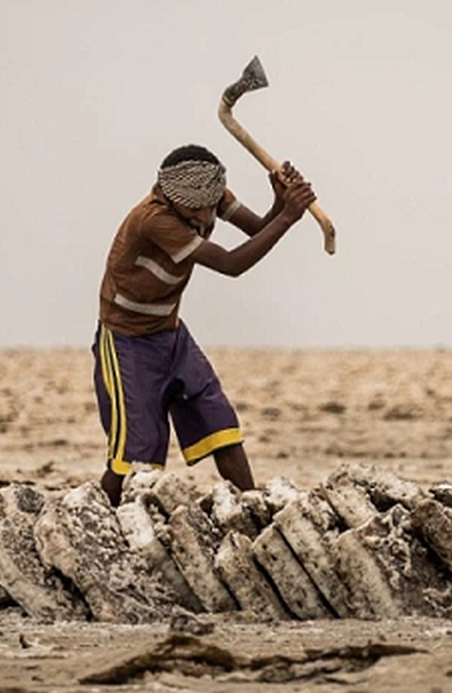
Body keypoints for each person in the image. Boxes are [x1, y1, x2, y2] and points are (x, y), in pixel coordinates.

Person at [92, 144, 316, 506]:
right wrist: (288, 217)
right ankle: (95, 516)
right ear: (169, 195)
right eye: (195, 207)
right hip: (126, 343)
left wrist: (280, 203)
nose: (205, 213)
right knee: (136, 453)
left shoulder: (209, 195)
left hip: (170, 334)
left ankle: (252, 507)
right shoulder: (154, 220)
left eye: (211, 205)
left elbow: (257, 229)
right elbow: (231, 264)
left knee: (219, 422)